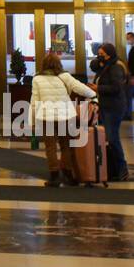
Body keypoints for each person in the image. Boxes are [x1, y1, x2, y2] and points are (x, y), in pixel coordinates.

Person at [30, 51, 95, 187]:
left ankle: (54, 177)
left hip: (46, 117)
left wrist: (32, 121)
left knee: (50, 148)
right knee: (66, 146)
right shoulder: (64, 76)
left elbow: (34, 101)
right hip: (66, 116)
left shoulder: (37, 79)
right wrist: (93, 95)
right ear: (58, 64)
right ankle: (68, 174)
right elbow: (79, 87)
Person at [92, 42, 131, 181]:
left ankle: (122, 168)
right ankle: (114, 168)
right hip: (106, 106)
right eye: (98, 54)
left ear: (109, 54)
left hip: (114, 108)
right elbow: (94, 66)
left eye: (102, 54)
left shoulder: (116, 67)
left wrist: (98, 89)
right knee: (108, 138)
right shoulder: (106, 66)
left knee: (113, 138)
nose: (99, 57)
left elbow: (116, 88)